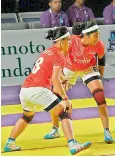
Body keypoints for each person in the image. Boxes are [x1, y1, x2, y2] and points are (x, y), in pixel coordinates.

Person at [3, 27, 92, 155]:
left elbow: (50, 70)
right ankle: (73, 144)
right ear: (61, 41)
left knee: (27, 117)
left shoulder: (48, 51)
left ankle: (10, 143)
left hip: (25, 90)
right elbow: (55, 79)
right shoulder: (60, 56)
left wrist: (63, 78)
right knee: (64, 111)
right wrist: (65, 98)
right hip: (38, 90)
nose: (70, 42)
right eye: (68, 40)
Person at [43, 21, 114, 144]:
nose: (98, 37)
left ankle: (107, 131)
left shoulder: (99, 44)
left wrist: (99, 78)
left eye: (99, 34)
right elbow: (58, 58)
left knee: (100, 96)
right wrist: (61, 76)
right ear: (86, 35)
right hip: (70, 68)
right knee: (55, 98)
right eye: (95, 35)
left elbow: (101, 60)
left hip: (88, 69)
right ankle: (55, 128)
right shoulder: (72, 42)